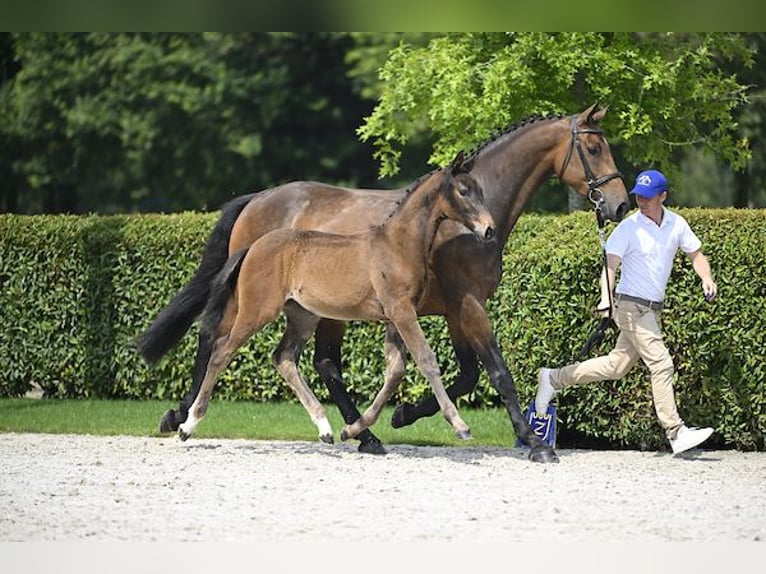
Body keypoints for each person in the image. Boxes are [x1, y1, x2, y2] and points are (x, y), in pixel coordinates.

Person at [535, 169, 717, 455]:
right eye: (638, 196)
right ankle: (675, 431)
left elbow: (696, 254)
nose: (641, 201)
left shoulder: (676, 224)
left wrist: (706, 278)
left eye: (647, 197)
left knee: (615, 367)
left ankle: (553, 378)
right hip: (631, 307)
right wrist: (605, 298)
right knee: (662, 364)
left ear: (663, 196)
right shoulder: (628, 228)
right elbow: (609, 268)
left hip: (651, 310)